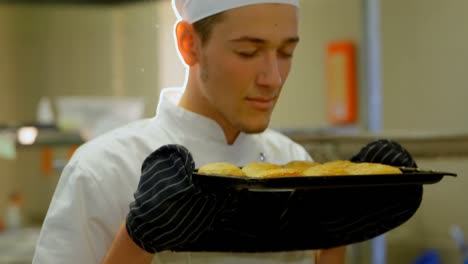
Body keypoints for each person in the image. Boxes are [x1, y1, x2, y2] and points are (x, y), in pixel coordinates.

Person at [33, 0, 346, 263]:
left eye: (285, 53)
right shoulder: (102, 171)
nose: (274, 78)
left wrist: (338, 240)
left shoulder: (293, 163)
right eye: (248, 51)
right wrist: (134, 241)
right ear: (188, 44)